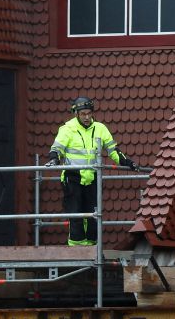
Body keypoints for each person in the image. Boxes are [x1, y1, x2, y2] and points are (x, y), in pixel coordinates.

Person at [44, 97, 133, 246]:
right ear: (76, 114)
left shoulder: (100, 128)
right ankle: (76, 250)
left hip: (92, 177)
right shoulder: (67, 129)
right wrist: (54, 159)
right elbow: (56, 149)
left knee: (93, 214)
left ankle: (91, 248)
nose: (87, 117)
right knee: (76, 213)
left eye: (89, 113)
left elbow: (113, 150)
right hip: (72, 177)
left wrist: (128, 162)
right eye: (83, 114)